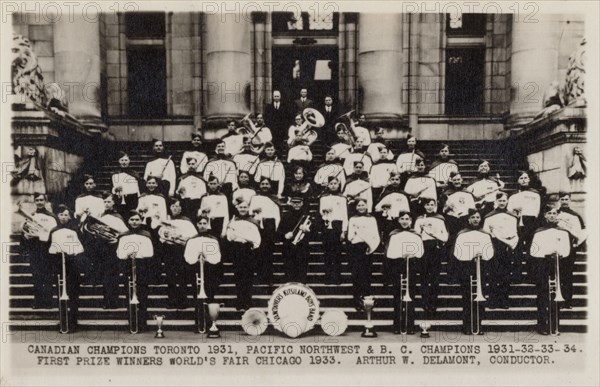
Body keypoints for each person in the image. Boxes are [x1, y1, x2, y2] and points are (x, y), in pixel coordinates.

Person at [529, 205, 572, 335]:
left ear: (557, 215)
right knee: (542, 295)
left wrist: (560, 253)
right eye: (549, 213)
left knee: (556, 296)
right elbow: (533, 251)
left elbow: (567, 249)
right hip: (543, 264)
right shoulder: (539, 232)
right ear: (545, 216)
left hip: (558, 263)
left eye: (554, 213)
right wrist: (548, 253)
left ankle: (555, 324)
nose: (552, 215)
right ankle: (542, 325)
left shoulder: (563, 232)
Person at [451, 208, 494, 335]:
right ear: (468, 219)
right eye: (473, 217)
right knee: (467, 298)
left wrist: (483, 255)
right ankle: (467, 326)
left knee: (480, 299)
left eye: (477, 217)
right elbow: (457, 253)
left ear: (480, 219)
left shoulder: (485, 234)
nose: (475, 219)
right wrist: (470, 255)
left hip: (481, 267)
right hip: (466, 267)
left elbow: (490, 252)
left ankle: (478, 325)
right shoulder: (462, 234)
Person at [116, 210, 157, 332]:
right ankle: (132, 323)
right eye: (132, 220)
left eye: (137, 220)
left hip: (142, 266)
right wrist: (127, 254)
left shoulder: (146, 234)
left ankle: (143, 323)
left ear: (141, 221)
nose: (134, 222)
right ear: (128, 221)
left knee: (143, 295)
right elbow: (119, 253)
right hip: (128, 265)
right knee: (129, 294)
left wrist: (138, 253)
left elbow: (150, 252)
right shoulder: (123, 236)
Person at [48, 205, 85, 331]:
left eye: (65, 214)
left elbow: (81, 247)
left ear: (69, 216)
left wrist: (74, 255)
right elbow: (50, 248)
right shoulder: (53, 231)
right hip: (59, 264)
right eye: (61, 214)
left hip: (72, 265)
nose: (63, 217)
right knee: (60, 294)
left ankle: (73, 321)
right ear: (57, 216)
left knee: (73, 295)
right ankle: (63, 320)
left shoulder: (75, 229)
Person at [386, 212, 423, 334]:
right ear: (398, 220)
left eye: (407, 219)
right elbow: (390, 253)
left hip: (411, 266)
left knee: (411, 297)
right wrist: (400, 256)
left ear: (411, 220)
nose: (404, 221)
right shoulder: (394, 235)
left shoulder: (416, 235)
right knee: (397, 298)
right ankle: (397, 326)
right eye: (402, 219)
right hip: (398, 266)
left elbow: (420, 252)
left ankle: (410, 325)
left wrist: (412, 256)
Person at [19, 193, 58, 309]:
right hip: (35, 250)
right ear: (34, 202)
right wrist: (26, 237)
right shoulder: (31, 216)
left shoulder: (52, 216)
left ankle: (49, 302)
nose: (39, 202)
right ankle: (38, 302)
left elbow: (55, 233)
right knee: (36, 276)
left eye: (41, 200)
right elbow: (25, 231)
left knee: (48, 276)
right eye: (37, 200)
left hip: (46, 250)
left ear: (46, 201)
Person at [157, 198, 198, 309]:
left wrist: (181, 237)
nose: (175, 208)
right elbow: (161, 236)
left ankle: (183, 301)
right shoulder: (166, 221)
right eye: (173, 206)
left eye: (177, 206)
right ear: (169, 208)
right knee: (170, 276)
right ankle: (171, 301)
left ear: (181, 208)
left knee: (182, 276)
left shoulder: (186, 221)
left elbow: (193, 236)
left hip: (181, 250)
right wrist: (165, 237)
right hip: (169, 250)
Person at [482, 192, 519, 309]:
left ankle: (504, 300)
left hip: (507, 246)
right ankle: (492, 300)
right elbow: (486, 233)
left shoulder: (513, 216)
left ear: (507, 201)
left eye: (504, 201)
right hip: (494, 246)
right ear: (496, 202)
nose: (502, 203)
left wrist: (511, 244)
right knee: (493, 274)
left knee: (506, 274)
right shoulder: (489, 216)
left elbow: (515, 232)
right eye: (500, 201)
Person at [414, 198, 448, 319]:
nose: (429, 207)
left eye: (432, 205)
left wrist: (434, 234)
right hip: (423, 248)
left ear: (435, 205)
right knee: (423, 276)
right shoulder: (419, 219)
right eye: (427, 204)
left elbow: (445, 236)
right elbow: (416, 234)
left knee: (435, 277)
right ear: (424, 206)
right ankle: (424, 301)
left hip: (435, 248)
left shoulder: (439, 218)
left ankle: (433, 302)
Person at [226, 201, 261, 311]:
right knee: (238, 275)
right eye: (241, 207)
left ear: (248, 208)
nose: (243, 209)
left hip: (248, 250)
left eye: (245, 207)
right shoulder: (233, 222)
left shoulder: (253, 222)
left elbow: (256, 238)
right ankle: (240, 300)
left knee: (248, 276)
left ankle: (247, 300)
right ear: (237, 208)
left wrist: (251, 244)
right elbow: (230, 237)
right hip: (237, 249)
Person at [347, 199, 380, 311]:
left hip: (368, 247)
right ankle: (357, 300)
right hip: (356, 248)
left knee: (366, 273)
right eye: (359, 205)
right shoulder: (352, 219)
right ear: (356, 207)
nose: (361, 207)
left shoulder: (372, 219)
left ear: (366, 206)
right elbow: (350, 236)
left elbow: (375, 234)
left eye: (363, 205)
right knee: (356, 274)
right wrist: (359, 235)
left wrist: (371, 246)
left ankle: (366, 300)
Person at [556, 191, 586, 309]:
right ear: (559, 200)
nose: (564, 201)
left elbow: (581, 233)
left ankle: (567, 301)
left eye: (566, 199)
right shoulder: (554, 214)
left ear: (570, 200)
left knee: (567, 275)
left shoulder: (576, 216)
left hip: (570, 248)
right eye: (562, 199)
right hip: (556, 248)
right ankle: (557, 302)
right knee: (556, 274)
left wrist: (576, 245)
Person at [249, 178, 282, 286]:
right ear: (259, 185)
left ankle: (268, 278)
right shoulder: (254, 198)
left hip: (269, 225)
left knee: (268, 253)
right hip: (258, 224)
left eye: (267, 184)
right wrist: (254, 211)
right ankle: (258, 277)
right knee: (258, 252)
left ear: (270, 186)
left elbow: (277, 216)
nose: (264, 185)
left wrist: (274, 229)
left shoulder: (274, 198)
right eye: (262, 184)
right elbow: (249, 212)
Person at [184, 216, 223, 304]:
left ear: (207, 225)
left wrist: (207, 259)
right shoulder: (191, 240)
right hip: (196, 268)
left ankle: (208, 314)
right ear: (197, 225)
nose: (202, 226)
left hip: (209, 269)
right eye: (200, 223)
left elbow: (217, 257)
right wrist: (195, 259)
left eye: (204, 223)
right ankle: (198, 314)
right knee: (196, 292)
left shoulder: (213, 240)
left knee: (210, 291)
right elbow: (187, 256)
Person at [319, 177, 348, 284]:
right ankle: (327, 276)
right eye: (331, 183)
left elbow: (345, 216)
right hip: (327, 228)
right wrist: (325, 215)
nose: (333, 185)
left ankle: (337, 277)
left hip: (338, 227)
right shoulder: (323, 198)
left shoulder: (342, 198)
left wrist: (343, 231)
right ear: (328, 185)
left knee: (337, 254)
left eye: (335, 183)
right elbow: (321, 212)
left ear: (338, 185)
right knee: (327, 253)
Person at [280, 197, 312, 283]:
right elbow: (279, 232)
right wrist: (285, 236)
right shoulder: (285, 216)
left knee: (302, 271)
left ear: (302, 203)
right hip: (288, 247)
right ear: (291, 203)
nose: (296, 204)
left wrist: (308, 230)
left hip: (303, 247)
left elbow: (314, 233)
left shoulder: (307, 217)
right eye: (294, 203)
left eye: (298, 203)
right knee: (289, 270)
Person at [374, 172, 410, 241]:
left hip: (400, 221)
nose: (394, 181)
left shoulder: (403, 194)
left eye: (397, 179)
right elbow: (377, 208)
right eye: (392, 179)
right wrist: (383, 208)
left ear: (400, 181)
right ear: (390, 181)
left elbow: (407, 209)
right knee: (388, 237)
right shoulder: (386, 193)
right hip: (389, 221)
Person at [440, 172, 476, 238]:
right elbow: (442, 210)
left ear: (462, 180)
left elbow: (472, 208)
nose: (457, 182)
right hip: (452, 219)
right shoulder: (447, 194)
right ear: (451, 181)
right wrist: (448, 207)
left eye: (458, 179)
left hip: (464, 219)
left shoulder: (467, 193)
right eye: (454, 180)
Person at [112, 151, 143, 218]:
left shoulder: (134, 173)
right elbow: (112, 187)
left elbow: (138, 187)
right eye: (122, 160)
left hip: (132, 198)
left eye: (126, 160)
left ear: (129, 161)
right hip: (119, 198)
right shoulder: (115, 174)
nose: (124, 162)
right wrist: (115, 189)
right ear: (119, 161)